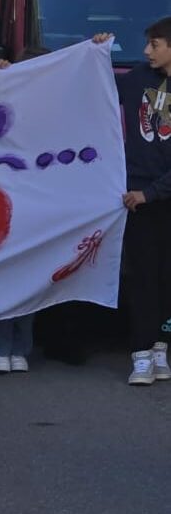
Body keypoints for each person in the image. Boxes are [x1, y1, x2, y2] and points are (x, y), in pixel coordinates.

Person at [94, 21, 171, 385]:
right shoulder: (137, 78)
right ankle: (141, 353)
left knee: (165, 277)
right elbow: (94, 87)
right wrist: (94, 53)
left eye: (154, 44)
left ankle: (159, 347)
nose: (146, 52)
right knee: (142, 276)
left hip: (158, 194)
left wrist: (154, 192)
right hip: (139, 196)